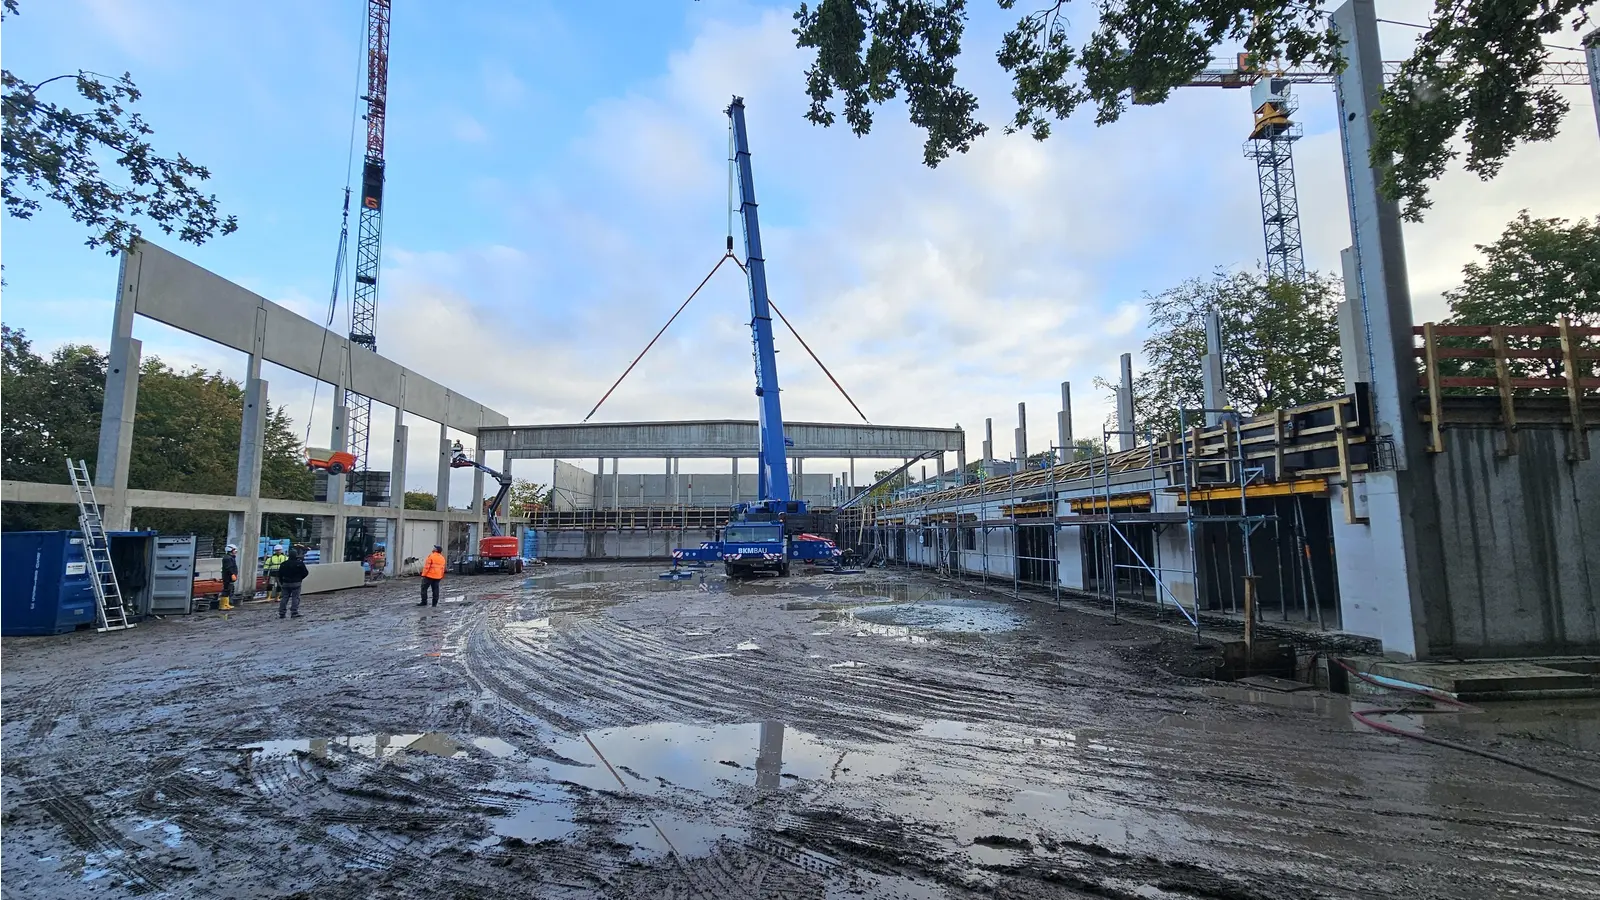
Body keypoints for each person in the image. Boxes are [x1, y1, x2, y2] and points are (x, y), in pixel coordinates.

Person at [276, 549, 309, 619]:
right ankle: (294, 612)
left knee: (284, 598)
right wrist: (300, 579)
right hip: (296, 583)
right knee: (295, 598)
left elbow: (279, 574)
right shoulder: (299, 563)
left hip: (285, 583)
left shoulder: (283, 564)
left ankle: (282, 613)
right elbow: (305, 573)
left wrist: (282, 582)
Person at [219, 545, 238, 611]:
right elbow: (229, 567)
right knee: (226, 590)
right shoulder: (228, 558)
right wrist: (232, 574)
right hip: (227, 576)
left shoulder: (230, 557)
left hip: (229, 576)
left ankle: (226, 604)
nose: (235, 551)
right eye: (234, 550)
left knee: (229, 589)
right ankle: (223, 605)